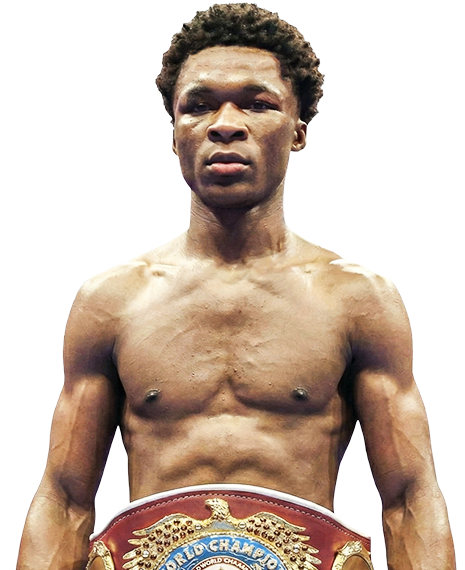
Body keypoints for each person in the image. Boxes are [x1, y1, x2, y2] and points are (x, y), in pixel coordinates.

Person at [17, 3, 455, 569]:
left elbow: (409, 500)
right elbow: (65, 500)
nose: (225, 123)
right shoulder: (111, 303)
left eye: (257, 103)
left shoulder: (357, 300)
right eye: (198, 106)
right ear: (175, 134)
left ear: (297, 132)